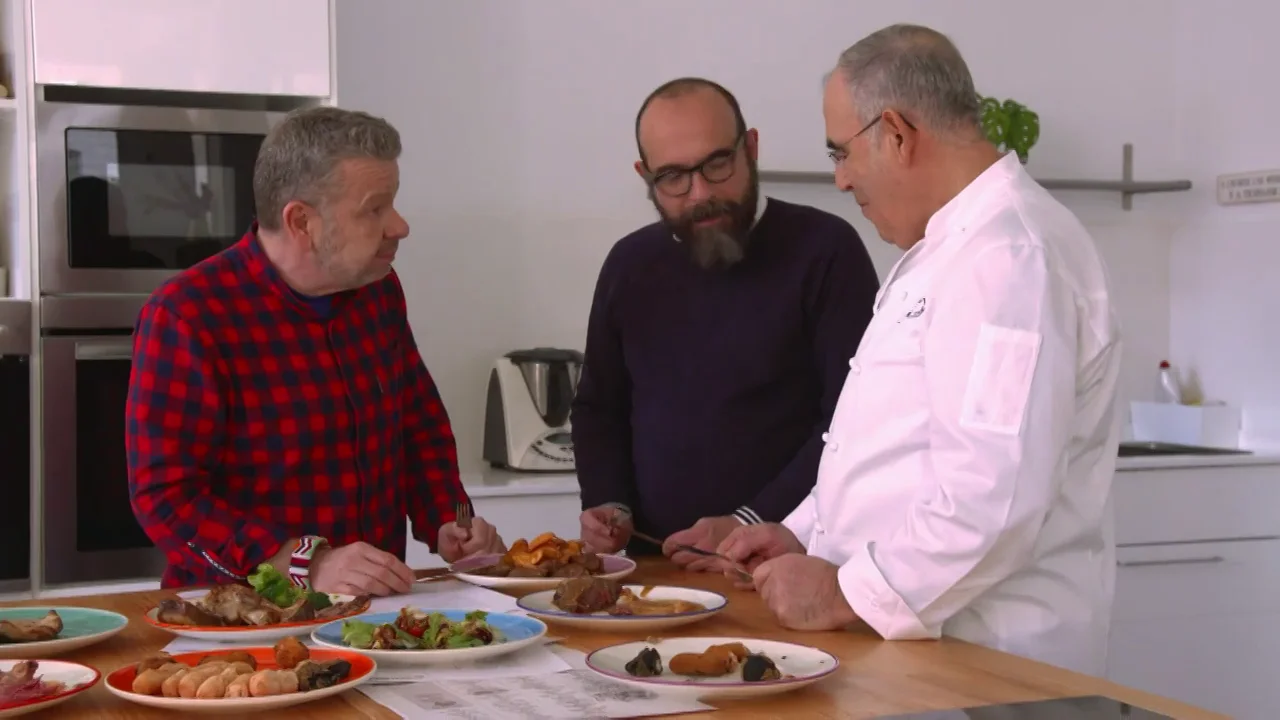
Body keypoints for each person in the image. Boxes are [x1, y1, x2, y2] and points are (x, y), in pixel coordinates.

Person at [719, 24, 1123, 676]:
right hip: (917, 652)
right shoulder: (947, 251)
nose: (843, 180)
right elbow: (891, 445)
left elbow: (994, 501)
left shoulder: (1008, 257)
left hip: (996, 666)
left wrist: (842, 590)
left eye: (840, 153)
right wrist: (801, 529)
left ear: (898, 134)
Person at [126, 106, 506, 595]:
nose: (399, 225)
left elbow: (418, 427)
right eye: (374, 208)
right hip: (243, 618)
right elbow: (165, 497)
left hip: (375, 614)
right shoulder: (187, 315)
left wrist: (448, 520)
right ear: (301, 221)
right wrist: (303, 562)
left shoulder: (378, 292)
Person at [573, 77, 880, 568]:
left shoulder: (826, 250)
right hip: (653, 569)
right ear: (644, 175)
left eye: (717, 164)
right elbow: (599, 408)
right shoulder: (629, 264)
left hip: (785, 566)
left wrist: (747, 522)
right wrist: (611, 503)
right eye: (672, 177)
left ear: (751, 148)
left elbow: (853, 423)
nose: (700, 194)